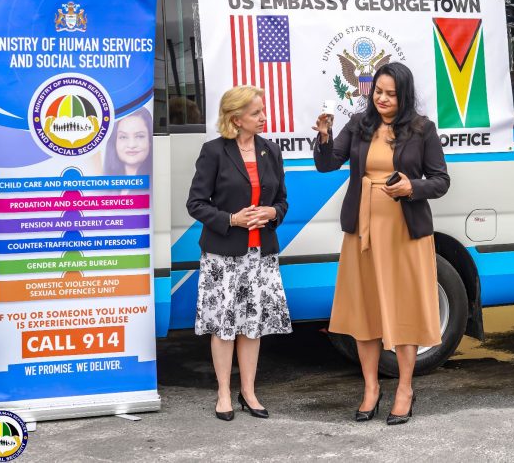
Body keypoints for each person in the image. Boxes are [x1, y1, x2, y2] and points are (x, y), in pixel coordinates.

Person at [313, 62, 450, 425]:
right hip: (362, 230)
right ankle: (371, 388)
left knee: (404, 307)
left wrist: (411, 187)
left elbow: (440, 180)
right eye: (378, 92)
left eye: (390, 93)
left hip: (404, 232)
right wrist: (324, 134)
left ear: (403, 95)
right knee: (365, 310)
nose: (383, 99)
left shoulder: (422, 129)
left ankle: (405, 388)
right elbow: (328, 164)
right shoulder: (360, 125)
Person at [187, 85, 292, 422]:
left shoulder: (271, 151)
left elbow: (282, 201)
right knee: (223, 325)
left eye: (262, 111)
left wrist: (272, 214)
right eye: (256, 113)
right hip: (223, 256)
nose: (264, 118)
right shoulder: (214, 152)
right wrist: (231, 219)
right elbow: (196, 204)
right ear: (236, 119)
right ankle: (223, 393)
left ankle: (248, 391)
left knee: (253, 325)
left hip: (261, 254)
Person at [104, 106, 153, 177]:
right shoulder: (103, 182)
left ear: (149, 141)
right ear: (114, 142)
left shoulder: (157, 181)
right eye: (123, 137)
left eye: (139, 136)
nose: (131, 145)